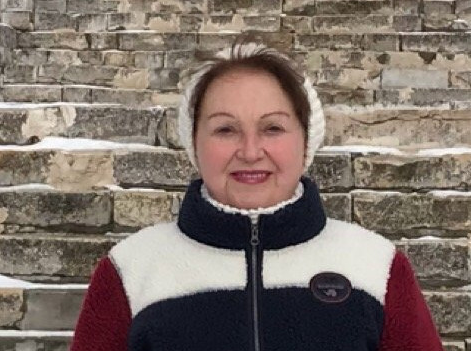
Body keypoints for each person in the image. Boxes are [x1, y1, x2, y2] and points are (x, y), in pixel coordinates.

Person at [69, 39, 444, 351]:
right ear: (194, 142)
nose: (250, 151)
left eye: (273, 128)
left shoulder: (376, 269)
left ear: (306, 139)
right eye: (225, 130)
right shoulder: (131, 272)